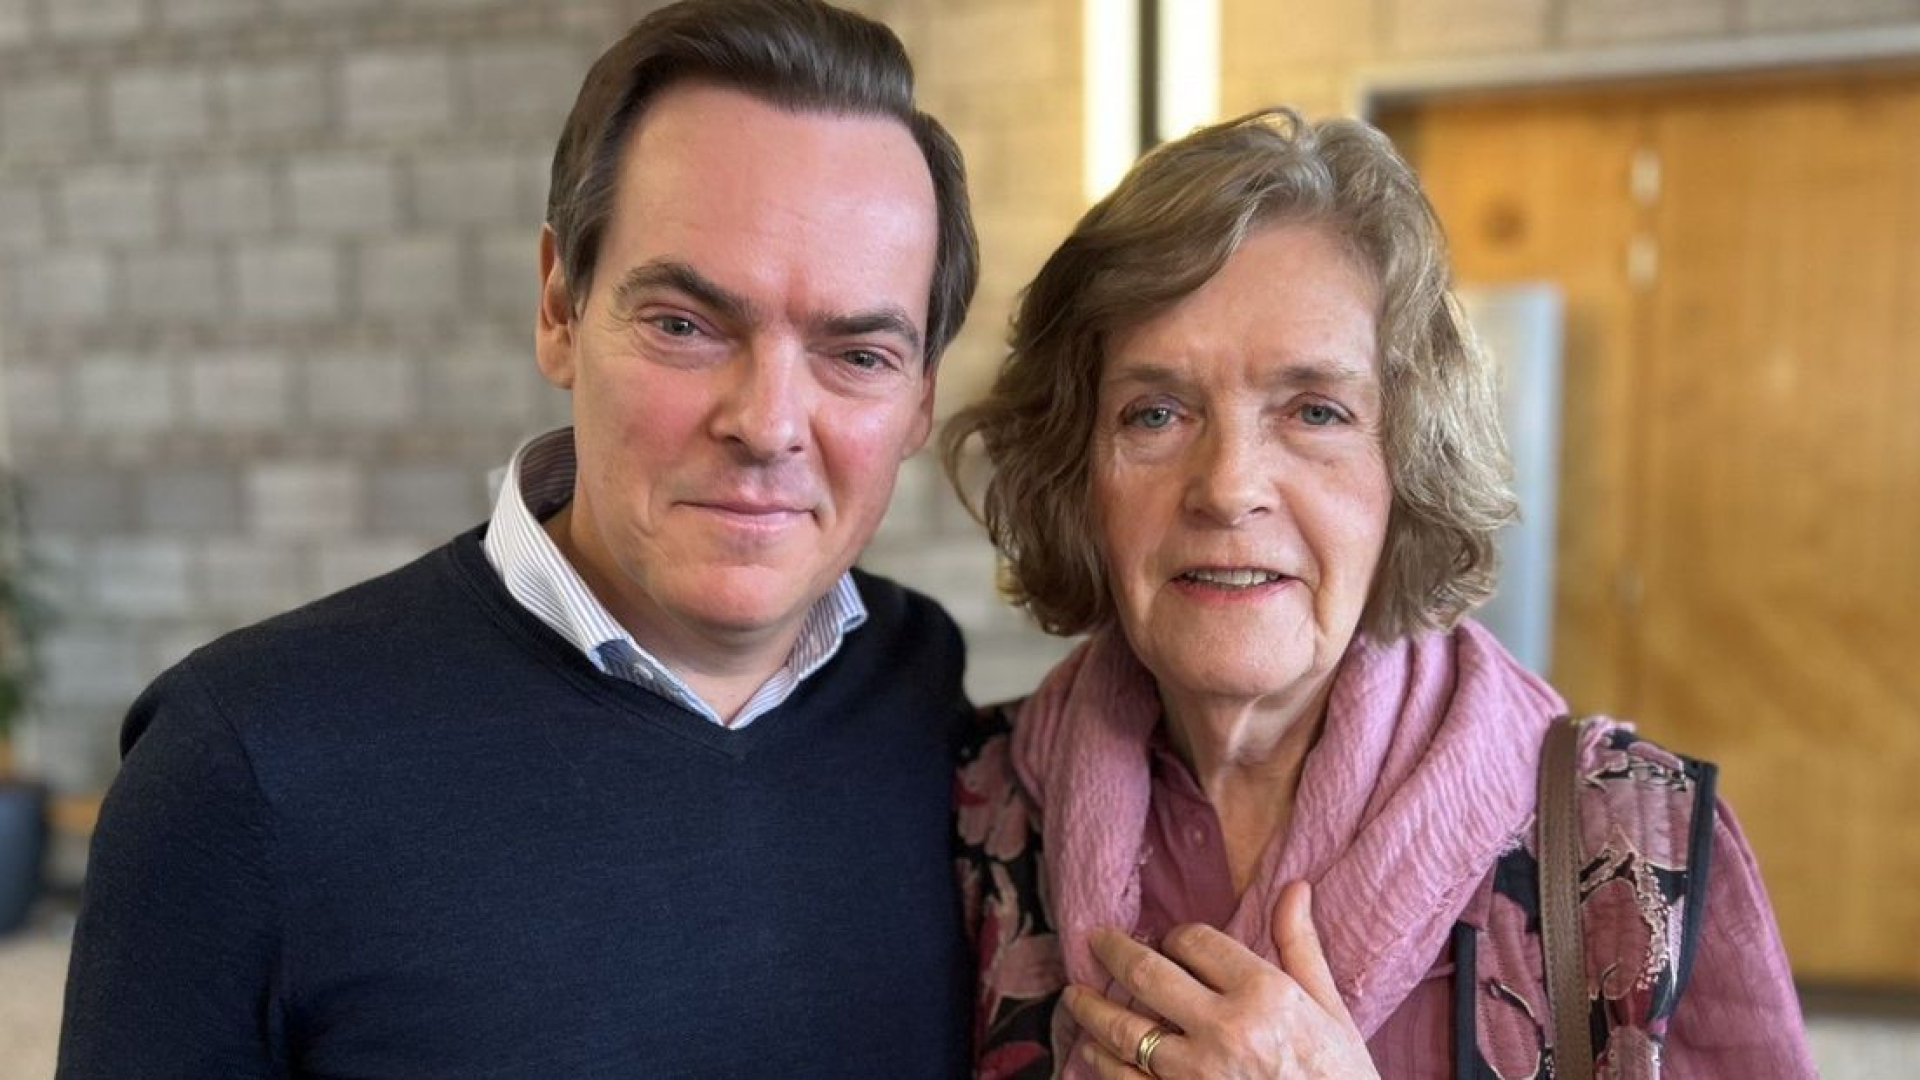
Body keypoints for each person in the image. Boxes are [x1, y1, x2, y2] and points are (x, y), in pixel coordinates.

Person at [58, 1, 978, 1076]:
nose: (767, 424)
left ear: (921, 397)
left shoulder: (920, 690)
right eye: (685, 325)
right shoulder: (243, 765)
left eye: (858, 355)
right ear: (558, 307)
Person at [943, 108, 1815, 1079]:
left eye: (1314, 411)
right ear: (1078, 472)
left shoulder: (1634, 851)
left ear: (1409, 464)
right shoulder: (972, 808)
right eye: (1155, 413)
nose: (1228, 486)